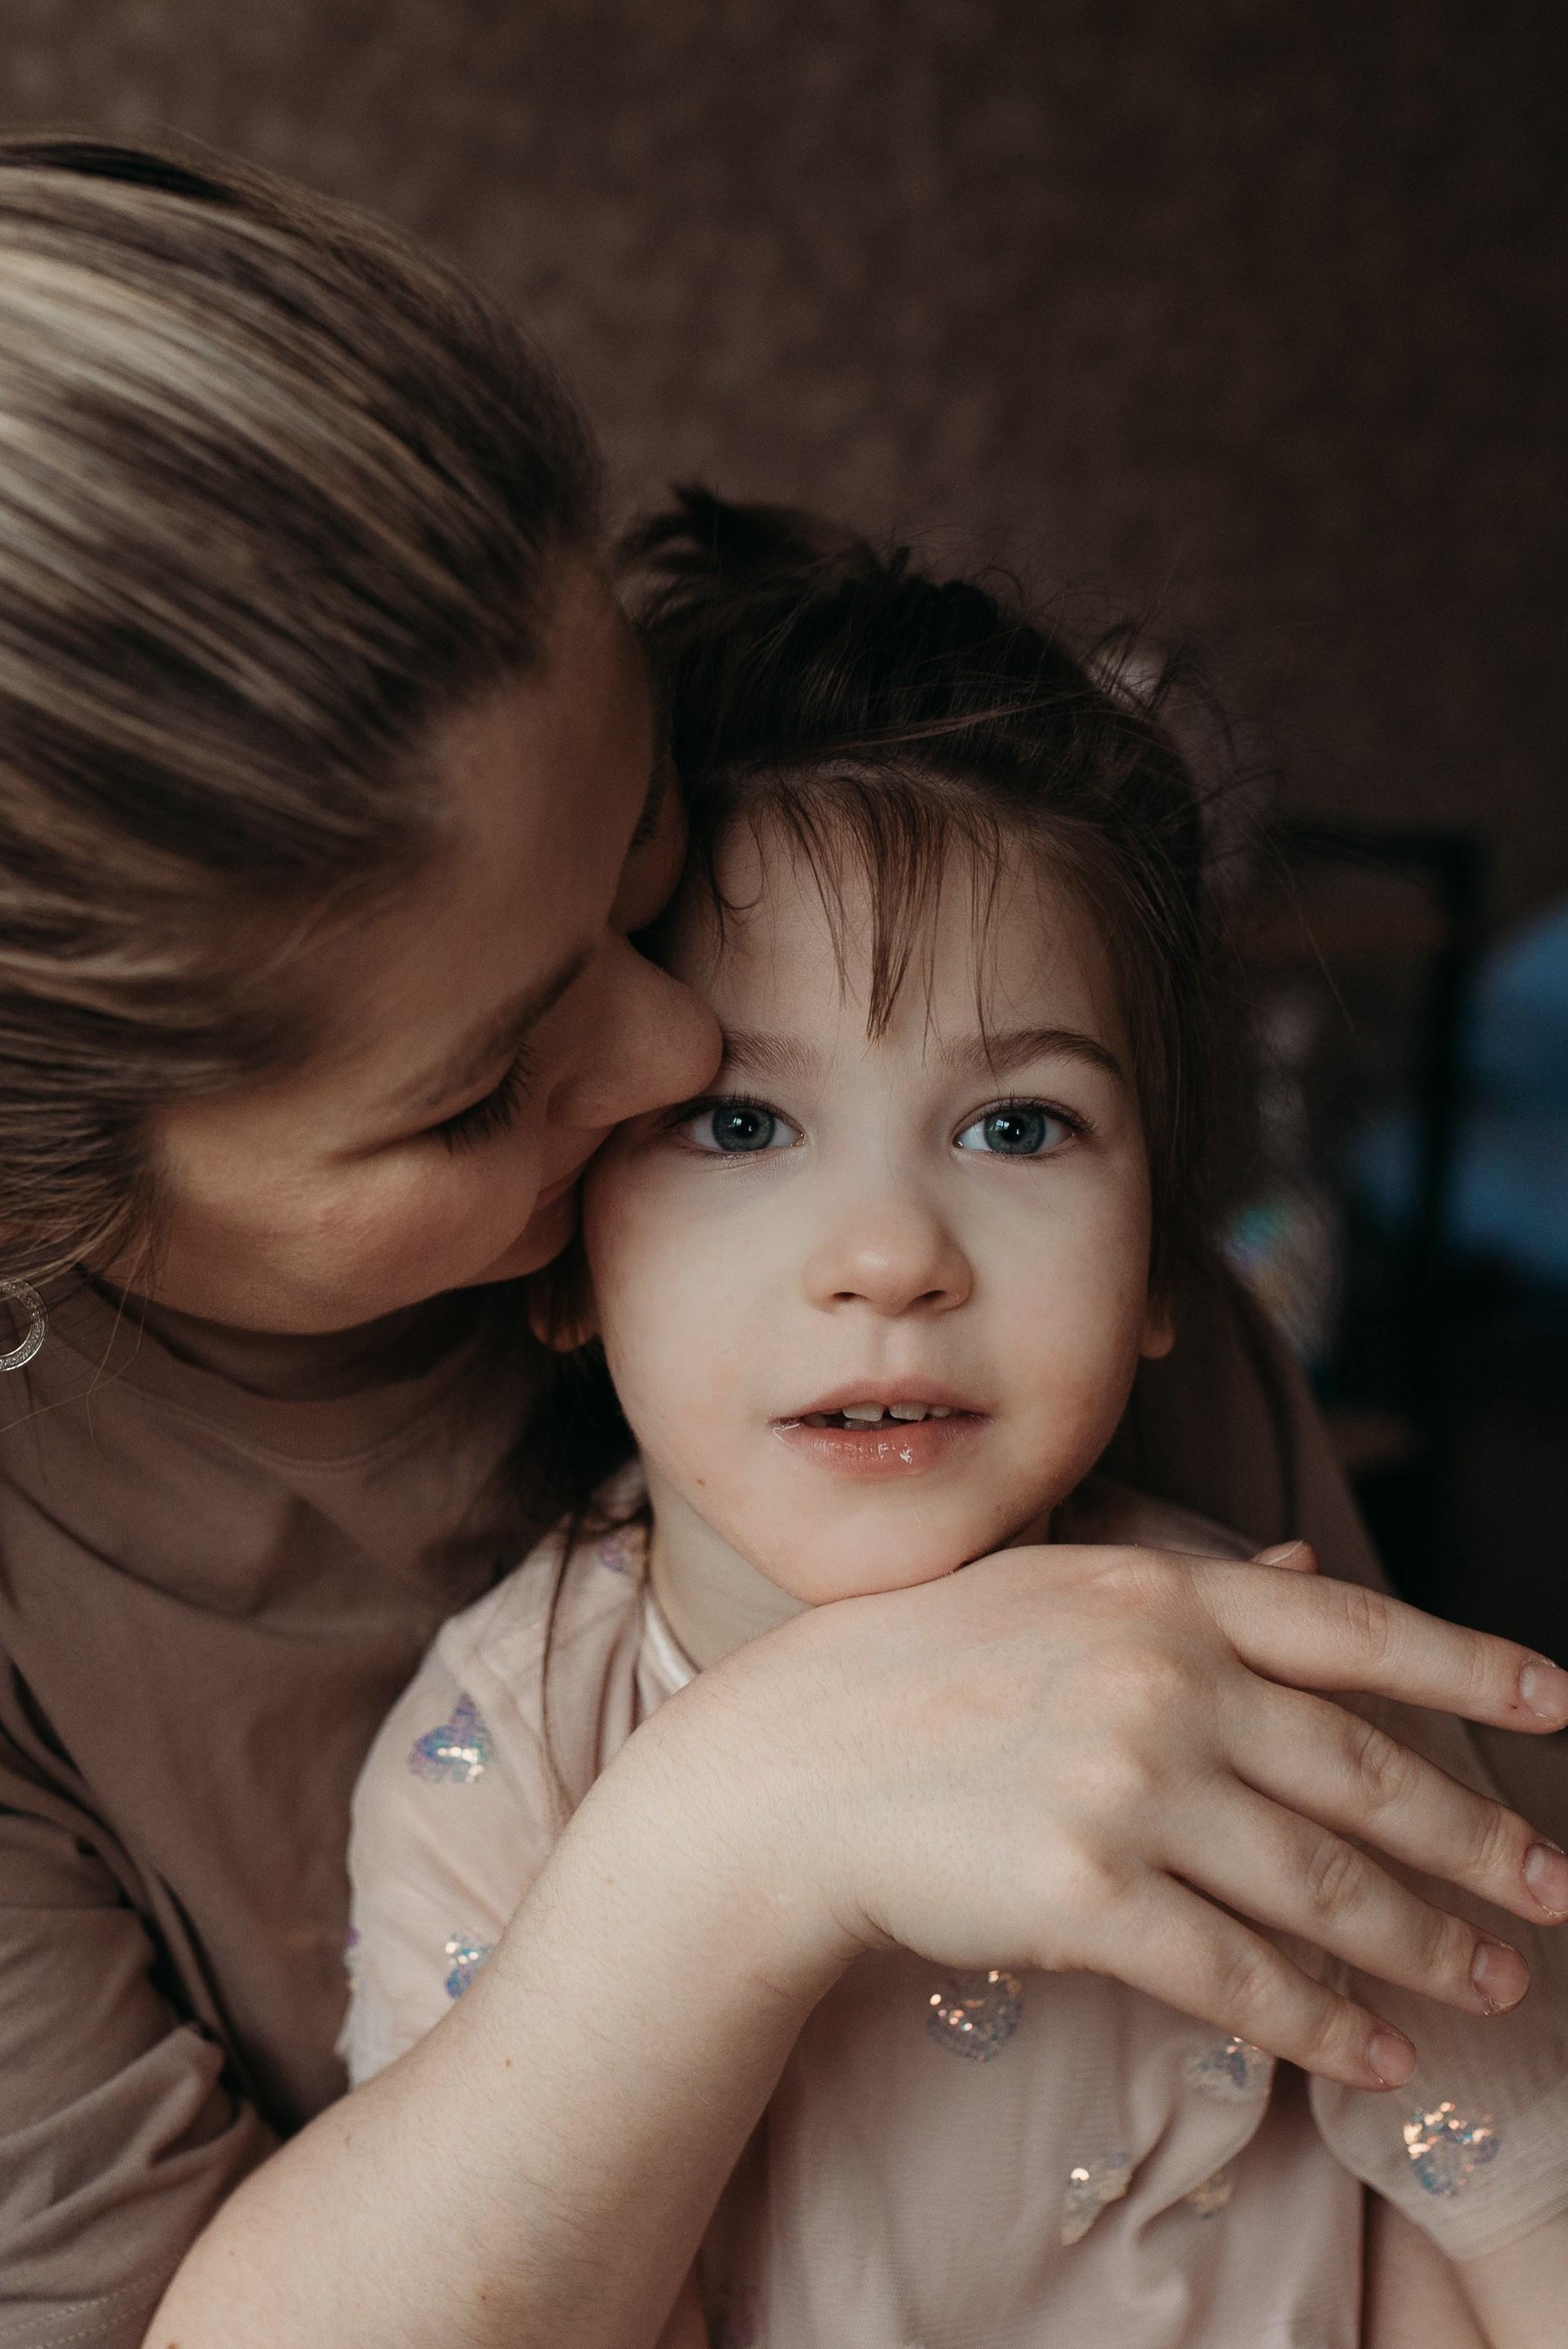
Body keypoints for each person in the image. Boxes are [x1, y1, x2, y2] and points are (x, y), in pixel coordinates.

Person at [0, 135, 1557, 2349]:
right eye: (483, 1077)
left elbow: (1461, 2168)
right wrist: (733, 1833)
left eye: (634, 842)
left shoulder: (1048, 1313)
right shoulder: (490, 1742)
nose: (658, 1046)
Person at [340, 499, 1568, 2348]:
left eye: (1019, 1127)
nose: (893, 1256)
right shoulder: (499, 1763)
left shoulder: (1283, 1695)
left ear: (1166, 1262)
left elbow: (1530, 2224)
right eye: (741, 1125)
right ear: (563, 1247)